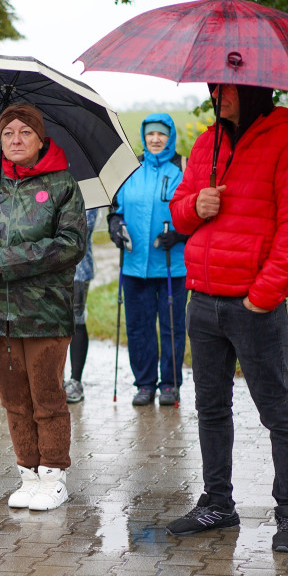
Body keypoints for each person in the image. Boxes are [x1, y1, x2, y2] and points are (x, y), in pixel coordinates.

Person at [166, 84, 288, 553]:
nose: (217, 94)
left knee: (276, 412)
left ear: (254, 90)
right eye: (213, 87)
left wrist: (263, 296)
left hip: (255, 306)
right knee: (211, 409)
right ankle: (217, 503)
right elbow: (178, 212)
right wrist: (197, 206)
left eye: (226, 87)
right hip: (203, 300)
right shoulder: (206, 141)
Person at [0, 102, 86, 511]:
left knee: (47, 394)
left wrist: (9, 260)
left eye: (24, 132)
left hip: (44, 312)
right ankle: (27, 473)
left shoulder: (63, 185)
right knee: (13, 397)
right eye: (8, 132)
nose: (15, 139)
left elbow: (71, 244)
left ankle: (54, 475)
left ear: (40, 137)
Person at [108, 114, 187, 407]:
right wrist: (115, 226)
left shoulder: (184, 169)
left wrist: (180, 234)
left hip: (172, 266)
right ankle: (144, 384)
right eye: (151, 134)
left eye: (162, 134)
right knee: (138, 328)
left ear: (171, 136)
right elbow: (115, 209)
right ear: (144, 136)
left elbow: (195, 213)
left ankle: (170, 384)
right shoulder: (131, 170)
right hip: (134, 265)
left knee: (171, 327)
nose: (155, 139)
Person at [63, 208, 97, 403]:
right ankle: (56, 379)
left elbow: (85, 226)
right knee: (52, 322)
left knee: (76, 319)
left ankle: (76, 381)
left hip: (79, 268)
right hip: (49, 268)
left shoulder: (87, 187)